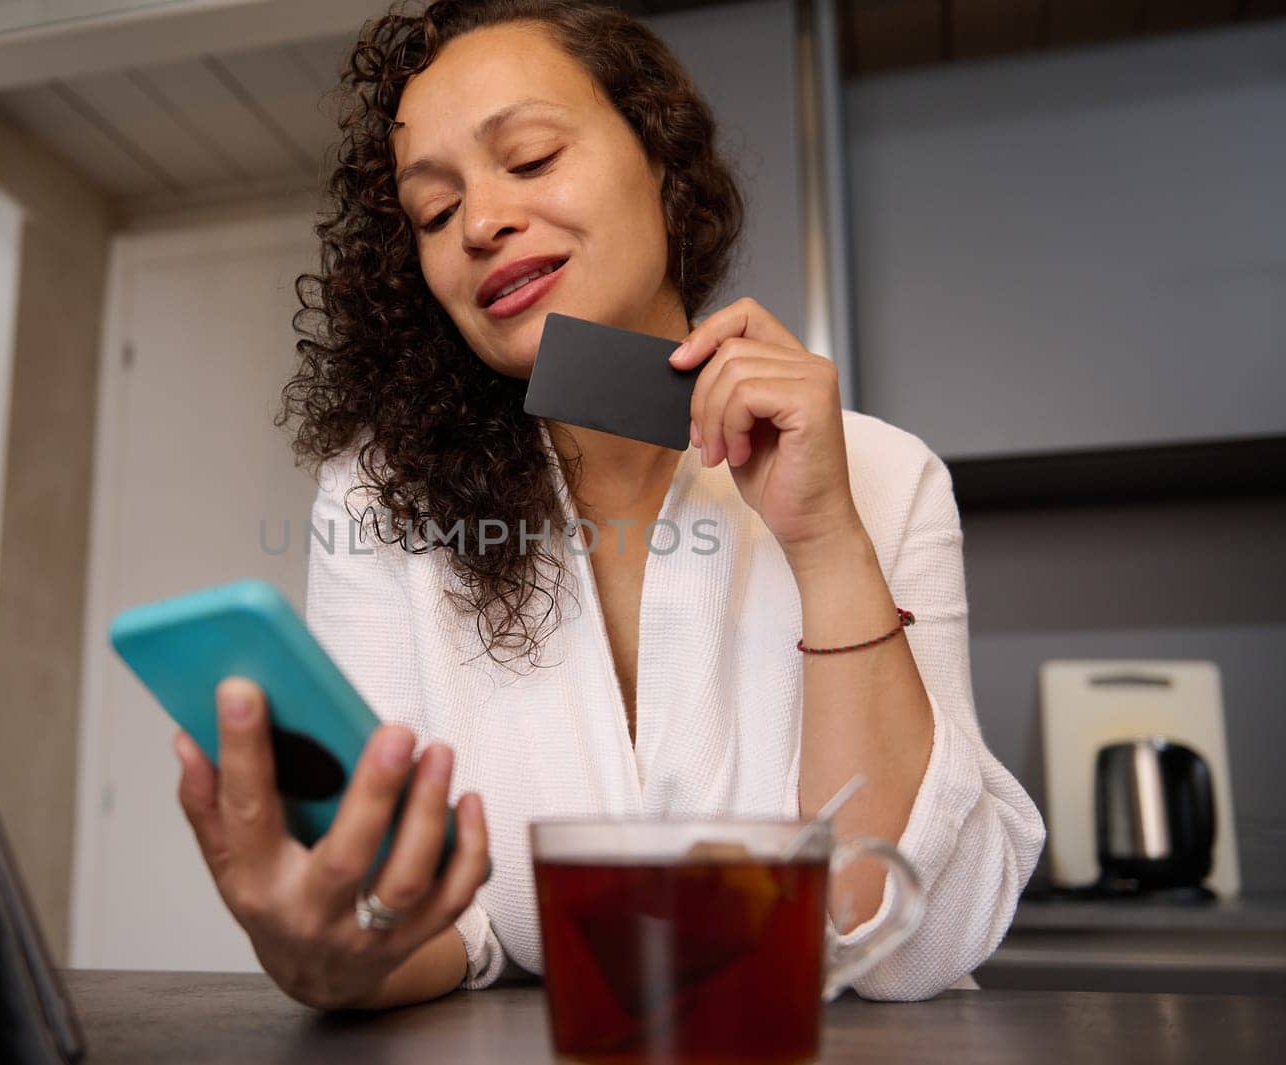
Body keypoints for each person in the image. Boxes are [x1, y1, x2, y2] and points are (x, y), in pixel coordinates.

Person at [171, 0, 1044, 1011]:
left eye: (531, 158)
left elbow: (913, 941)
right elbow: (436, 923)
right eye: (436, 213)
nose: (483, 223)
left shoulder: (885, 477)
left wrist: (827, 542)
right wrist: (331, 957)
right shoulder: (376, 503)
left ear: (664, 166)